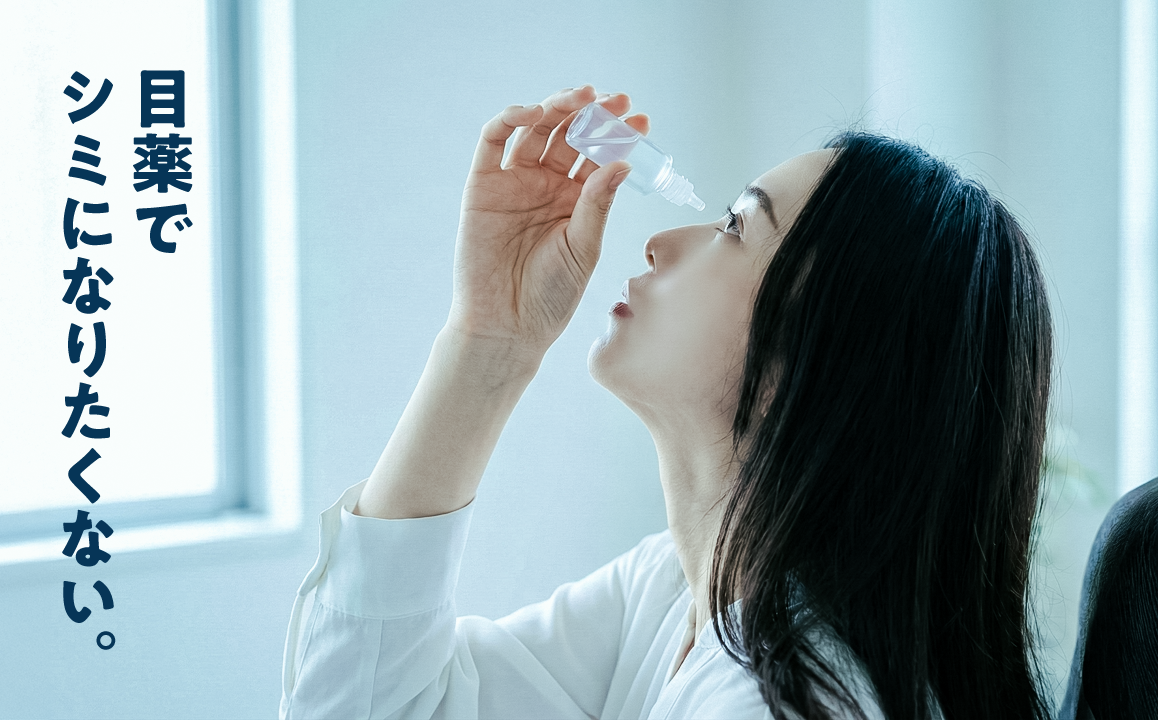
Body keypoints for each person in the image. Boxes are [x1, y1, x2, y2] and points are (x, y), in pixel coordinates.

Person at [279, 85, 1055, 720]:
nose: (660, 243)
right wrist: (487, 340)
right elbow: (366, 706)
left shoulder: (785, 704)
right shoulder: (675, 589)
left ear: (817, 360)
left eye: (734, 227)